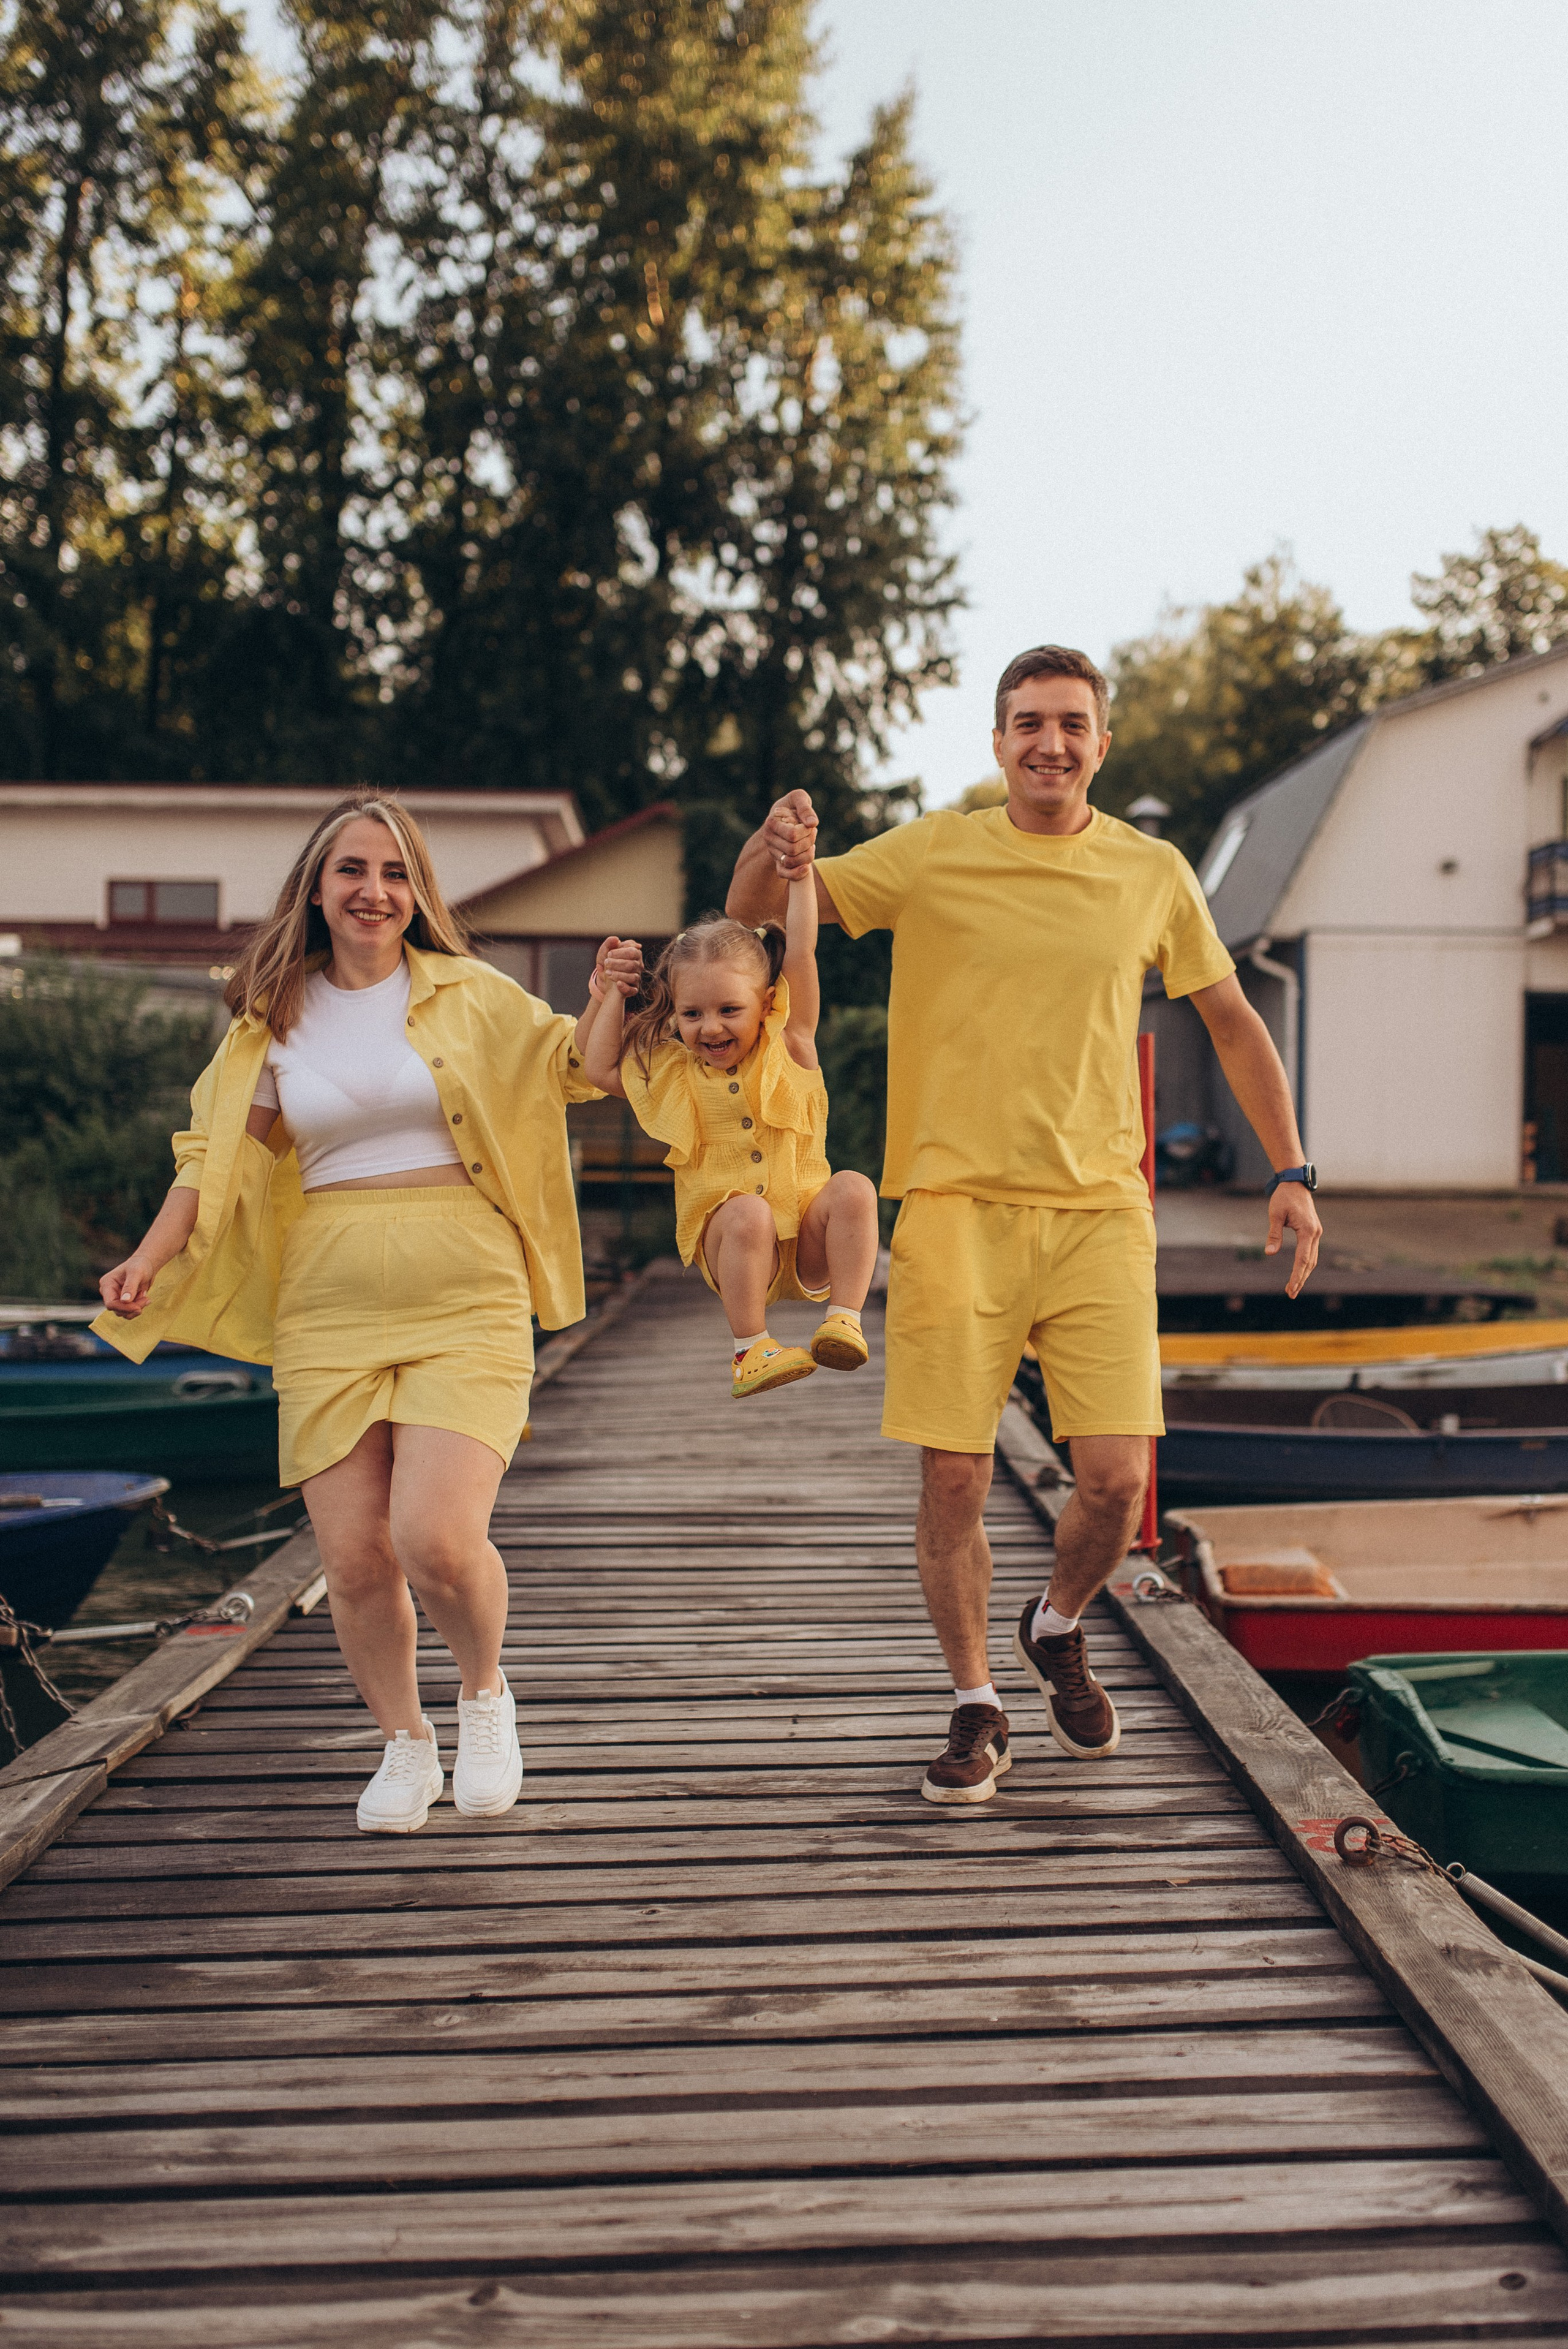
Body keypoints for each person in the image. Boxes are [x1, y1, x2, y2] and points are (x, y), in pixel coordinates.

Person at [726, 645, 1323, 1803]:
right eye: (1028, 722)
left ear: (1101, 743)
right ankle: (975, 1700)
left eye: (1071, 723)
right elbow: (758, 907)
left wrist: (1291, 1166)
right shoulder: (936, 850)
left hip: (1103, 1209)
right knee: (953, 1477)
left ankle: (1056, 1621)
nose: (1050, 741)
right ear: (997, 741)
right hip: (955, 1206)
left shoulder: (1153, 871)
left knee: (1114, 1484)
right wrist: (776, 843)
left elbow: (1238, 1022)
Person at [94, 792, 641, 1834]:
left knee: (434, 1535)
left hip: (464, 1282)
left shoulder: (473, 993)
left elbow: (581, 1067)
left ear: (417, 891)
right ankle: (403, 1739)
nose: (374, 891)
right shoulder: (272, 1016)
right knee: (352, 1556)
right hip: (328, 1294)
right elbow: (213, 1159)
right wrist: (148, 1255)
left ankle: (484, 1695)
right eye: (351, 869)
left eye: (394, 873)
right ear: (318, 885)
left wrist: (611, 993)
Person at [584, 864, 880, 1398]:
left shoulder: (790, 1046)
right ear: (674, 1014)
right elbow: (600, 1069)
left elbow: (803, 950)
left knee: (856, 1187)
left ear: (766, 1004)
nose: (711, 1027)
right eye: (692, 1013)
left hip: (809, 1249)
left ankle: (844, 1320)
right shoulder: (675, 1076)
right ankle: (752, 1348)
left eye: (729, 1010)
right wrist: (609, 994)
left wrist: (800, 874)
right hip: (741, 1254)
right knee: (748, 1210)